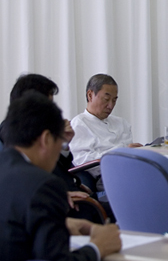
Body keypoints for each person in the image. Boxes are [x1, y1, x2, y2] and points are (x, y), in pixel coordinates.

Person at [0, 91, 121, 260]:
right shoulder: (43, 185)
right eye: (60, 142)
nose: (59, 151)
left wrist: (59, 224)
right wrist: (98, 247)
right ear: (46, 139)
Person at [0, 73, 98, 220]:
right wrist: (56, 194)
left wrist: (63, 143)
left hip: (71, 196)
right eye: (48, 104)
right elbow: (20, 183)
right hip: (62, 205)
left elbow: (58, 167)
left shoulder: (38, 131)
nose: (50, 110)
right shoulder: (11, 134)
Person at [70, 74, 142, 184]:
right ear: (90, 95)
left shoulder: (121, 123)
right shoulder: (79, 124)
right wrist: (121, 151)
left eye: (114, 100)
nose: (110, 106)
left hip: (130, 171)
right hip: (108, 177)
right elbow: (82, 161)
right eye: (106, 99)